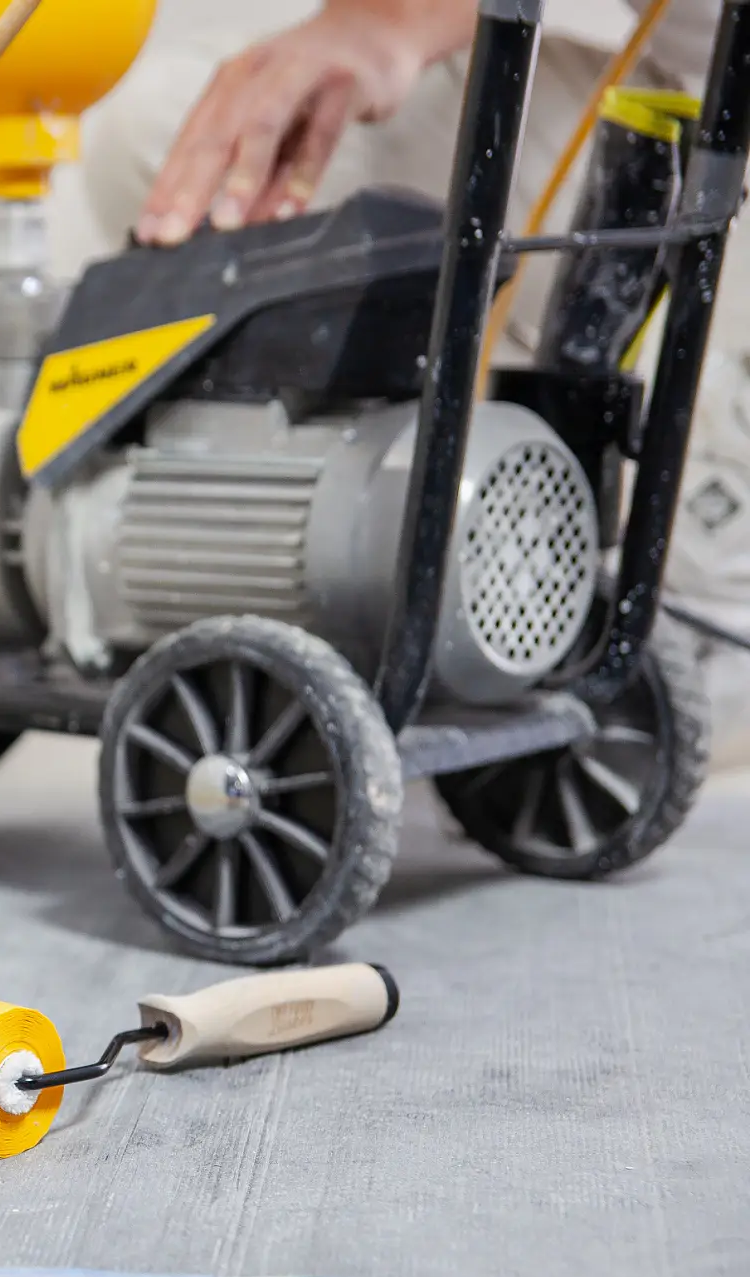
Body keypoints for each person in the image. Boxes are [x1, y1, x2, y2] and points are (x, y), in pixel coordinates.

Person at [81, 0, 750, 764]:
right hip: (690, 90)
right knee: (172, 136)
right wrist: (390, 21)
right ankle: (362, 538)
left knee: (699, 649)